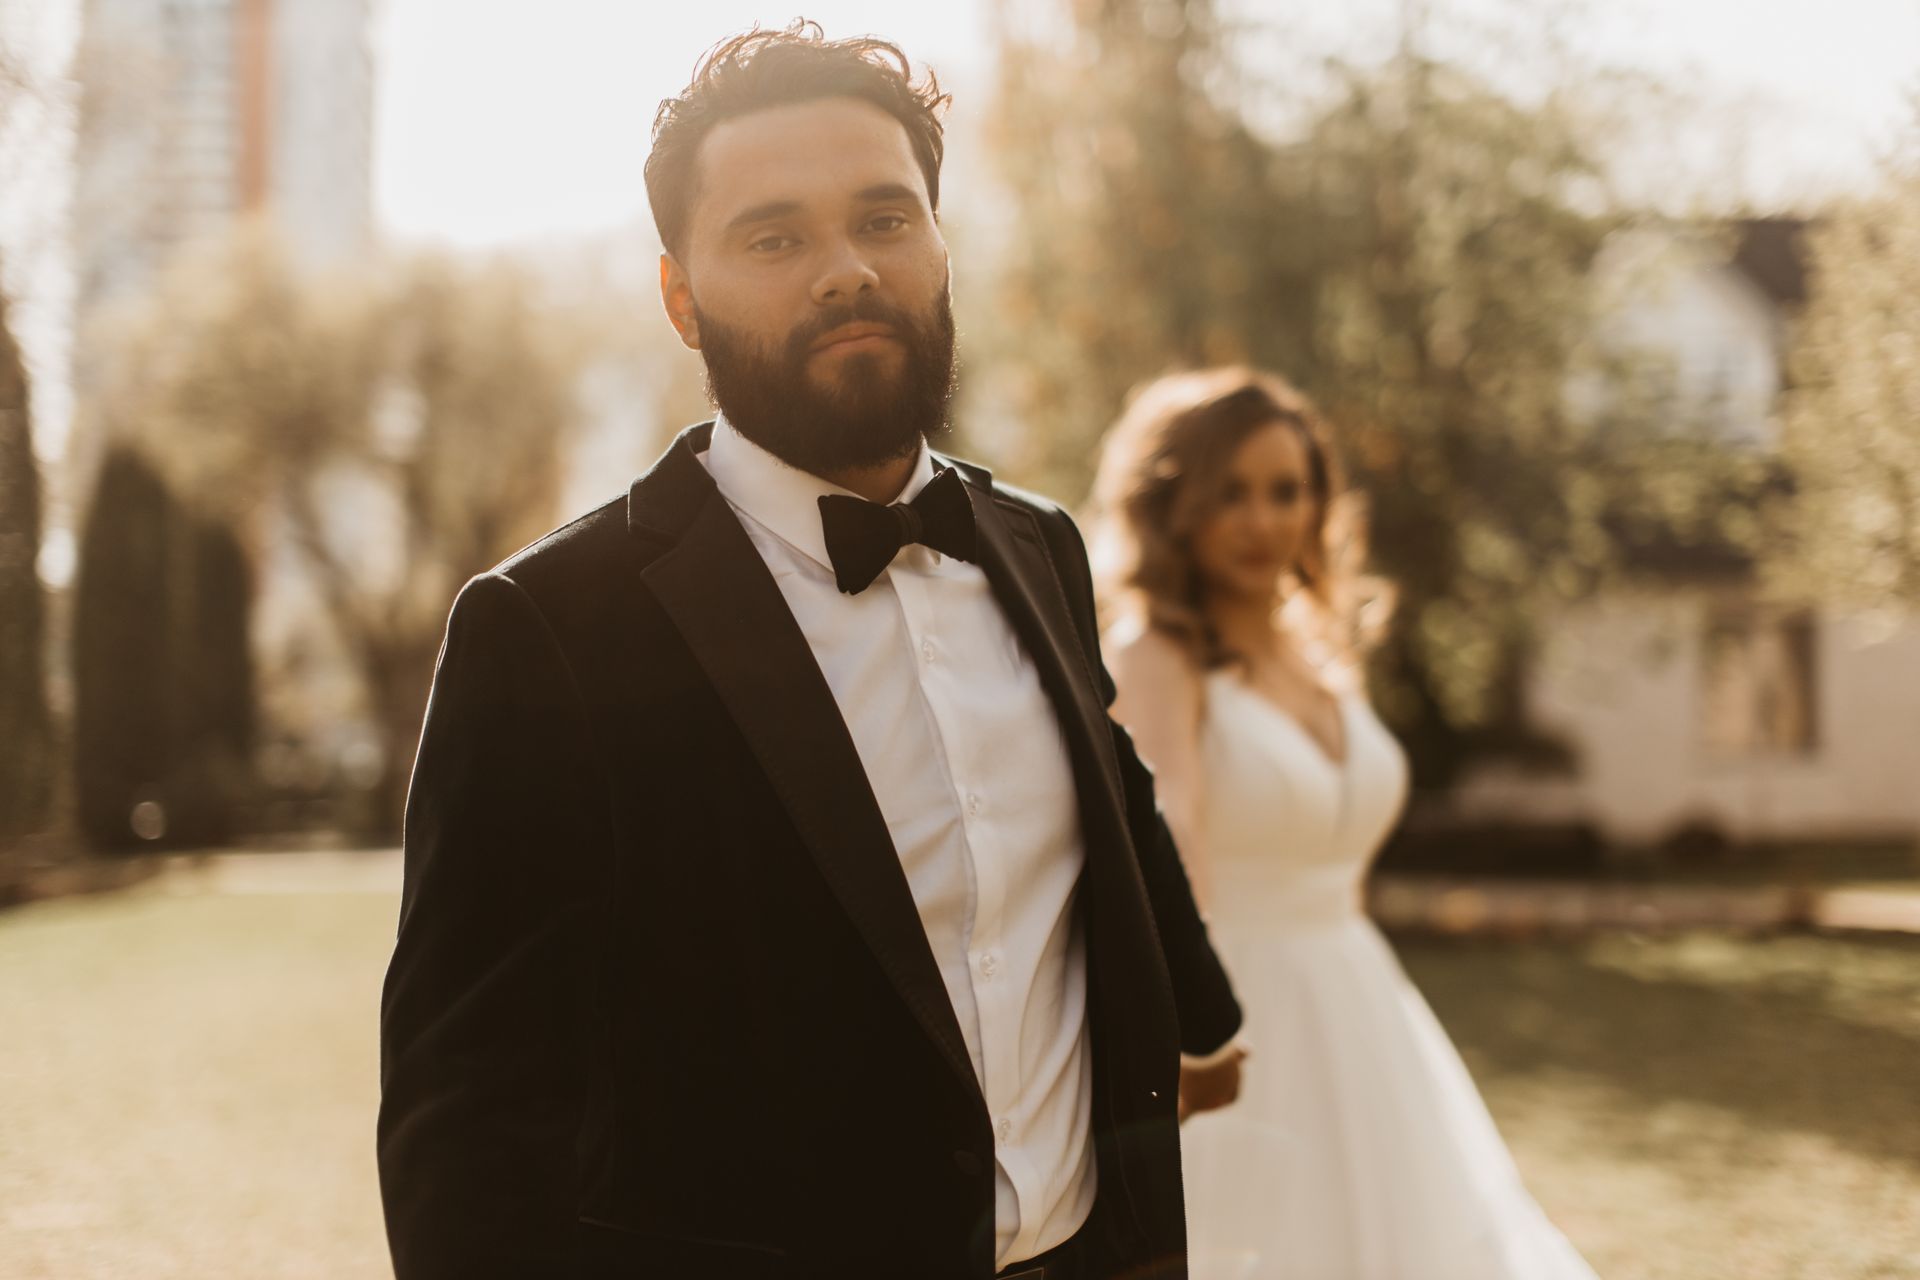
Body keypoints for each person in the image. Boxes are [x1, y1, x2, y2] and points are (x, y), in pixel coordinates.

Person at [376, 24, 1244, 1280]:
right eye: (775, 237)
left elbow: (1116, 821)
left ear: (941, 246)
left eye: (885, 220)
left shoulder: (1042, 548)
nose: (846, 270)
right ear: (683, 298)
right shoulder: (548, 628)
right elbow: (468, 1113)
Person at [1092, 368, 1599, 1280]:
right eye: (1229, 493)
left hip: (1364, 1010)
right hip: (1233, 1016)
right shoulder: (1154, 654)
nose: (1263, 521)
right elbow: (1173, 837)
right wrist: (1183, 1032)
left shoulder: (1319, 652)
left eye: (1287, 491)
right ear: (1174, 506)